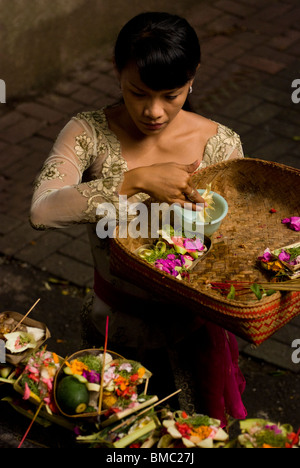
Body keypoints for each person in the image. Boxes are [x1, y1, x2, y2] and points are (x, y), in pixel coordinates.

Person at [30, 12, 246, 426]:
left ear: (193, 77)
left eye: (172, 94)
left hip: (192, 333)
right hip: (113, 326)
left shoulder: (219, 144)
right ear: (118, 72)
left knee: (187, 438)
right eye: (138, 92)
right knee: (114, 436)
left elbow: (234, 245)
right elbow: (42, 210)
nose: (154, 112)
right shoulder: (88, 134)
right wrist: (134, 180)